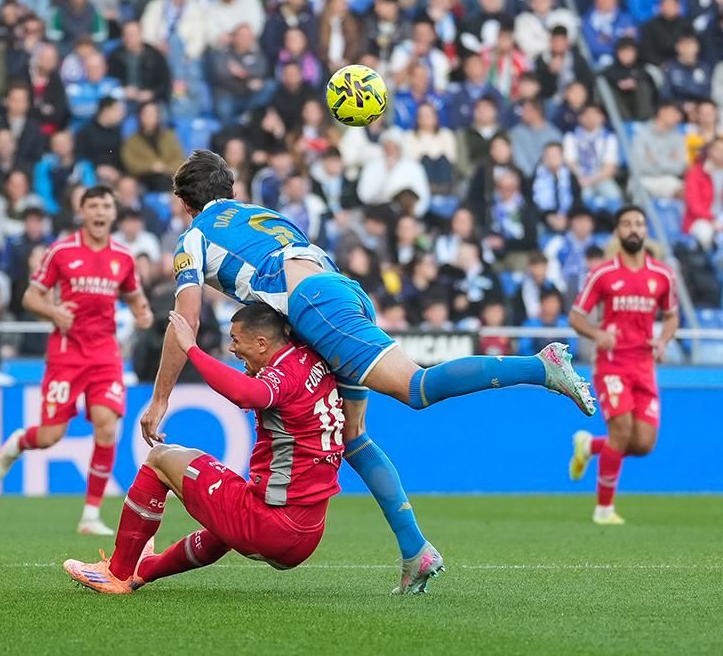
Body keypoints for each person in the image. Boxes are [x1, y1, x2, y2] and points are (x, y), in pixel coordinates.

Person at [142, 150, 595, 593]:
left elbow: (186, 322)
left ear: (184, 203)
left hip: (316, 305)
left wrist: (159, 400)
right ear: (231, 189)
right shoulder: (262, 214)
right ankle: (415, 551)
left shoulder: (194, 237)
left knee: (416, 387)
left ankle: (540, 365)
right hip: (340, 292)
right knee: (352, 436)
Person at [62, 304, 349, 594]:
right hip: (307, 533)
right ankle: (145, 569)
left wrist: (191, 348)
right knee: (226, 518)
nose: (232, 348)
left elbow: (245, 394)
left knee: (160, 458)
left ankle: (117, 573)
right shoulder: (310, 356)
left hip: (272, 526)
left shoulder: (284, 376)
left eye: (236, 340)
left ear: (262, 343)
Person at [0, 186, 154, 536]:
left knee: (106, 425)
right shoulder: (62, 251)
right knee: (51, 435)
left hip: (105, 354)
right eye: (93, 206)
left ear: (113, 213)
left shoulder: (123, 257)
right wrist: (53, 312)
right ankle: (19, 442)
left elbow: (135, 297)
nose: (100, 212)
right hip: (67, 354)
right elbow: (31, 297)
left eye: (106, 206)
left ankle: (90, 516)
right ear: (82, 212)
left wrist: (143, 313)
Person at [568, 206, 677, 526]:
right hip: (612, 364)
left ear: (646, 231)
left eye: (639, 223)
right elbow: (576, 316)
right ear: (617, 231)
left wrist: (663, 340)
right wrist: (597, 334)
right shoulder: (603, 274)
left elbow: (672, 316)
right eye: (627, 223)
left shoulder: (662, 275)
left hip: (644, 365)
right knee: (621, 431)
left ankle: (589, 445)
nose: (633, 229)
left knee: (643, 444)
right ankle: (603, 510)